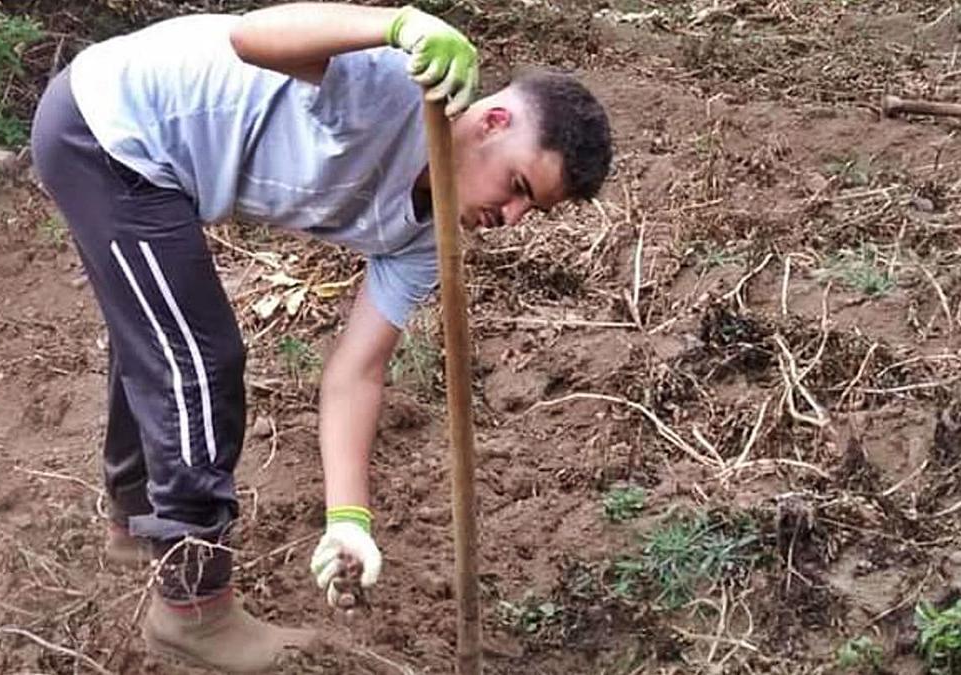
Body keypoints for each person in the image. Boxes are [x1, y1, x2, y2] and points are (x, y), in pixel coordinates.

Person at [30, 2, 611, 671]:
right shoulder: (394, 88)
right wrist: (398, 25)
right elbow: (250, 36)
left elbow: (354, 373)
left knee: (161, 336)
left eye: (528, 208)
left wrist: (349, 522)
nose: (509, 216)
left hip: (152, 165)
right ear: (493, 120)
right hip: (107, 128)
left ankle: (135, 523)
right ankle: (193, 609)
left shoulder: (425, 238)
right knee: (198, 360)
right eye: (517, 185)